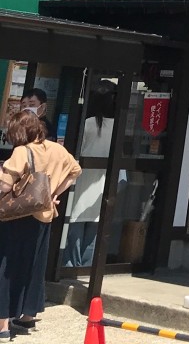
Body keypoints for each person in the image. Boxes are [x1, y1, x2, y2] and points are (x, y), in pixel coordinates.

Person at [0, 111, 80, 340]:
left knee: (5, 267)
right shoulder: (56, 149)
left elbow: (5, 186)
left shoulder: (22, 151)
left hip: (17, 217)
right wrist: (52, 193)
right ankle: (26, 318)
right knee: (34, 266)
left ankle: (2, 325)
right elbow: (75, 171)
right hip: (44, 216)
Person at [64, 82, 117, 267]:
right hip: (104, 180)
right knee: (94, 226)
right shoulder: (117, 126)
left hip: (83, 178)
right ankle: (87, 267)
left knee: (76, 221)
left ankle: (71, 264)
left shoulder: (87, 123)